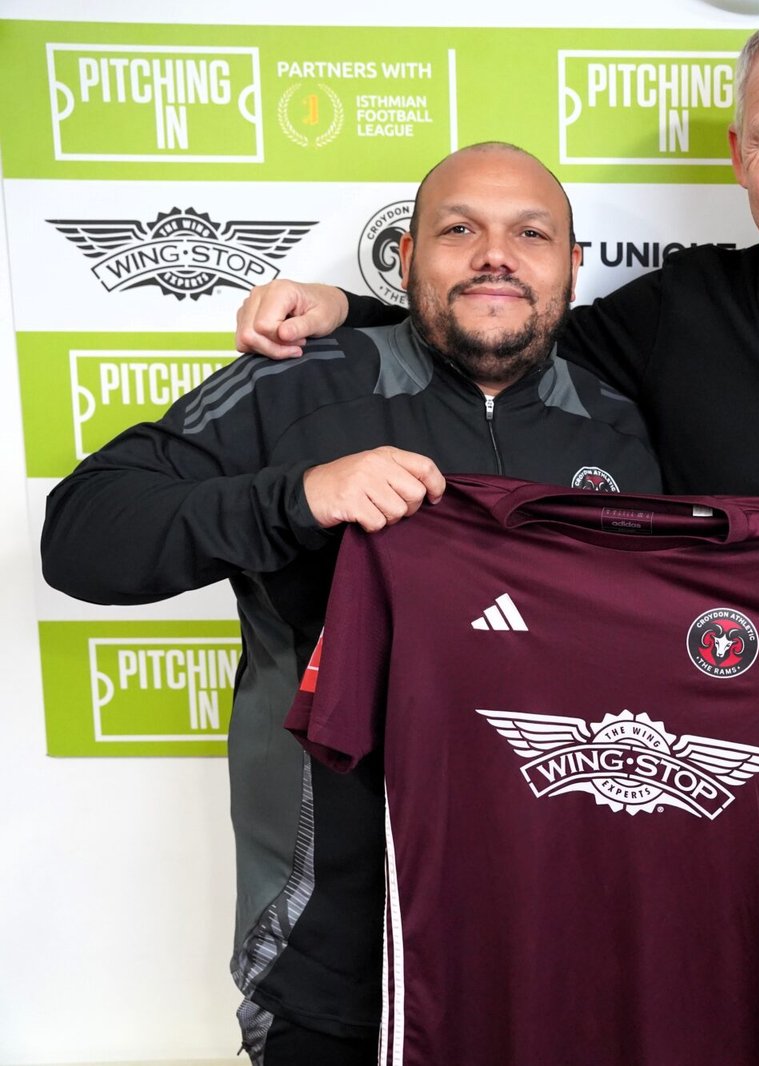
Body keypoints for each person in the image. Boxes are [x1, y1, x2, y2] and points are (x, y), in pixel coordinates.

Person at [234, 7, 759, 1064]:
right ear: (737, 156)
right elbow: (506, 323)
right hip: (697, 842)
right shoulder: (674, 313)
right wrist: (349, 305)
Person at [41, 143, 660, 1064]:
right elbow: (84, 536)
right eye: (460, 230)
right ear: (406, 259)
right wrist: (296, 498)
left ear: (573, 267)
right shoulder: (298, 384)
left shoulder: (620, 427)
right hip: (330, 963)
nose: (496, 254)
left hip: (550, 957)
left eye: (531, 233)